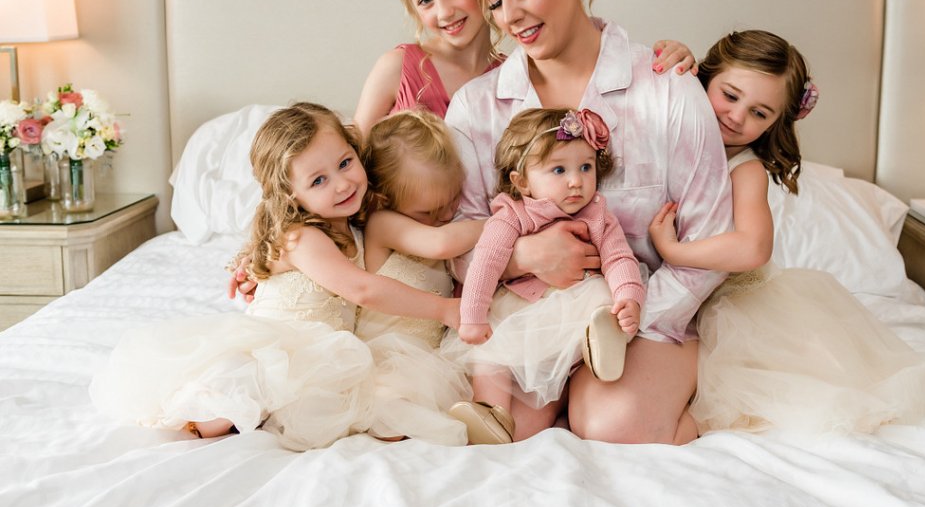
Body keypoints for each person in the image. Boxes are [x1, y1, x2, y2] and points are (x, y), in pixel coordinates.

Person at [445, 0, 734, 444]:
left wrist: (626, 316)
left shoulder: (667, 88)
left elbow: (710, 240)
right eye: (492, 2)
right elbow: (457, 241)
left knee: (609, 424)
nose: (509, 17)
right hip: (529, 313)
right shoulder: (475, 108)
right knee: (511, 428)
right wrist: (523, 257)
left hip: (645, 312)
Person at [90, 103, 463, 451]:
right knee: (235, 395)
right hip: (280, 347)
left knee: (363, 411)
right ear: (290, 195)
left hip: (322, 358)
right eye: (318, 180)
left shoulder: (356, 227)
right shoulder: (302, 237)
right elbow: (362, 289)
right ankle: (196, 418)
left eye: (345, 163)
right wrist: (444, 309)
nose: (341, 184)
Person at [649, 30, 925, 435]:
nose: (737, 116)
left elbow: (754, 247)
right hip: (653, 291)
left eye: (760, 113)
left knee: (745, 397)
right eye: (730, 94)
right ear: (704, 79)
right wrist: (677, 62)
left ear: (777, 122)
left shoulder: (746, 167)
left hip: (725, 304)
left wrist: (674, 251)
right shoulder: (668, 129)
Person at [353, 0, 696, 135]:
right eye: (425, 1)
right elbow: (349, 159)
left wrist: (674, 60)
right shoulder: (399, 67)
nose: (443, 12)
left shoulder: (515, 76)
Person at [446, 108, 645, 444]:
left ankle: (606, 341)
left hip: (573, 312)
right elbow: (486, 263)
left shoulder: (597, 214)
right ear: (521, 181)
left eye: (585, 167)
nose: (575, 181)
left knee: (604, 300)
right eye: (558, 170)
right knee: (489, 355)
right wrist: (473, 316)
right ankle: (491, 414)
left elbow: (619, 257)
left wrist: (630, 298)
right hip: (521, 314)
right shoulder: (512, 215)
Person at [356, 109, 481, 444]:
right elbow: (441, 243)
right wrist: (502, 223)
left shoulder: (440, 222)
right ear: (384, 199)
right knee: (391, 410)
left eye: (452, 199)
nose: (443, 216)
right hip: (384, 354)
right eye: (427, 211)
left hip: (429, 355)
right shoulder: (383, 224)